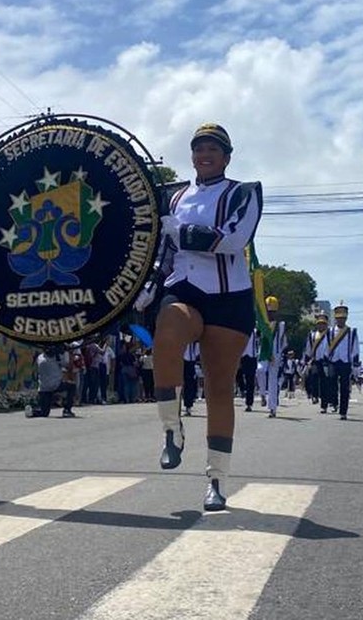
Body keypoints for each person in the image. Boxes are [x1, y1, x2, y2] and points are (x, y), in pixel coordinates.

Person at [133, 122, 262, 511]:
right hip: (184, 287)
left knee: (220, 388)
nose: (204, 154)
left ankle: (217, 480)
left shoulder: (245, 192)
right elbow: (162, 252)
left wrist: (184, 232)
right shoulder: (172, 198)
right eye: (198, 148)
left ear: (227, 155)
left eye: (212, 148)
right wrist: (147, 284)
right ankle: (172, 428)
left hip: (229, 296)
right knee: (166, 336)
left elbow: (235, 238)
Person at [323, 302, 360, 419]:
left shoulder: (351, 332)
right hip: (333, 362)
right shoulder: (329, 332)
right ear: (335, 318)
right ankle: (334, 403)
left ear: (346, 318)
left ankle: (343, 412)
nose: (340, 321)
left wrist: (355, 366)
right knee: (332, 385)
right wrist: (325, 363)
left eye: (343, 318)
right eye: (338, 318)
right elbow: (326, 347)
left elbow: (355, 349)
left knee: (345, 388)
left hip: (345, 363)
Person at [256, 297, 286, 419]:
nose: (270, 314)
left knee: (272, 381)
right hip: (263, 353)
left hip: (275, 355)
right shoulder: (261, 323)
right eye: (268, 311)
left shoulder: (281, 325)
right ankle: (262, 394)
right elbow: (257, 338)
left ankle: (272, 408)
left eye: (273, 311)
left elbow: (283, 342)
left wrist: (278, 354)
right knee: (259, 370)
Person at [26, 347, 76, 418]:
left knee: (44, 413)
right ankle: (67, 410)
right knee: (72, 386)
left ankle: (32, 412)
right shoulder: (56, 357)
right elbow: (68, 366)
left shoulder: (40, 357)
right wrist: (68, 353)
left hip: (43, 388)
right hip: (56, 385)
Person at [238, 328, 259, 412]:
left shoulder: (256, 331)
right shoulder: (242, 329)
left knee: (250, 380)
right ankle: (242, 390)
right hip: (242, 356)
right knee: (237, 375)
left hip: (252, 357)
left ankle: (249, 403)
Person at [181, 342, 200, 416]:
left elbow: (198, 351)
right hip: (180, 360)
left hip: (190, 361)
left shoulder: (195, 341)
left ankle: (188, 406)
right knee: (177, 384)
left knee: (189, 384)